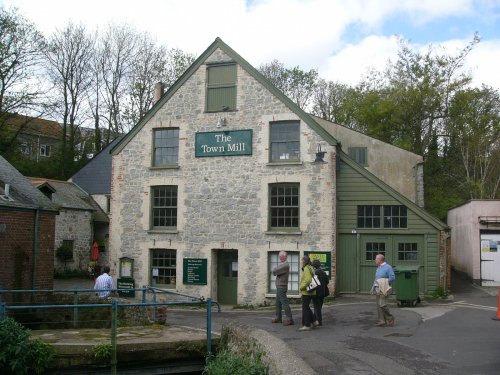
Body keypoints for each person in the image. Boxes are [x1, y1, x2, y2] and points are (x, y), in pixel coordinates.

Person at [370, 254, 395, 327]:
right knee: (378, 305)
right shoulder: (378, 268)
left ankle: (390, 318)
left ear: (380, 260)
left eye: (376, 259)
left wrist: (383, 281)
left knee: (382, 304)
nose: (375, 260)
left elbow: (392, 277)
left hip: (385, 288)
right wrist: (372, 289)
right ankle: (382, 321)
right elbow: (376, 280)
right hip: (378, 289)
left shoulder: (388, 267)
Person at [271, 251, 294, 326]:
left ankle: (289, 319)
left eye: (281, 256)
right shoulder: (282, 265)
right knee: (278, 303)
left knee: (284, 303)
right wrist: (276, 268)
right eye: (279, 256)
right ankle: (278, 318)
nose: (280, 258)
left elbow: (274, 271)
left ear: (286, 257)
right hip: (279, 286)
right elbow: (275, 271)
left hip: (282, 287)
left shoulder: (285, 265)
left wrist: (276, 268)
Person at [299, 255, 317, 331]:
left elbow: (308, 280)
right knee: (307, 307)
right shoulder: (311, 267)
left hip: (306, 292)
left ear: (304, 261)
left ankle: (307, 325)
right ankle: (314, 321)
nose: (301, 262)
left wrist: (301, 287)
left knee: (305, 308)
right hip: (311, 291)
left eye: (302, 260)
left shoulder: (306, 268)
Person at [312, 259, 329, 326]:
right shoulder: (323, 272)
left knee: (317, 307)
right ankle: (314, 319)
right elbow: (327, 281)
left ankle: (319, 321)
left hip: (316, 292)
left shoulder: (314, 272)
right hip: (322, 292)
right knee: (319, 306)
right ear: (319, 265)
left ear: (313, 265)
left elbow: (313, 283)